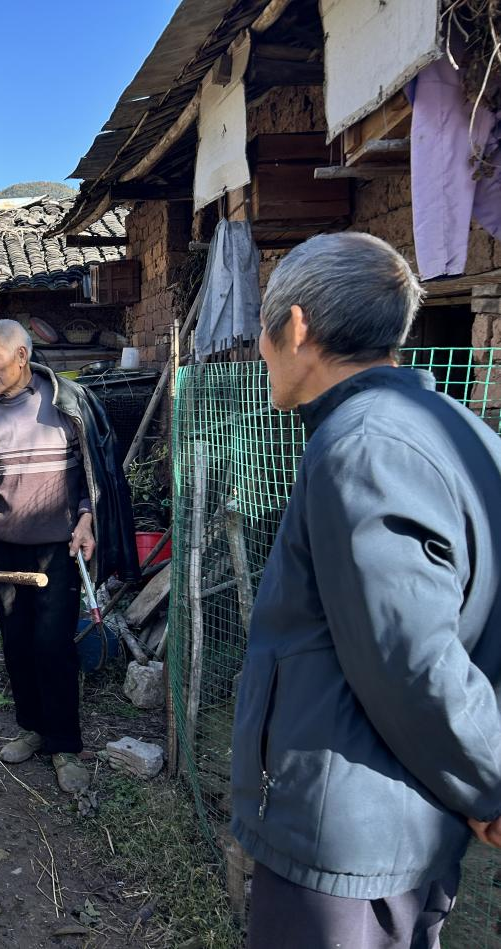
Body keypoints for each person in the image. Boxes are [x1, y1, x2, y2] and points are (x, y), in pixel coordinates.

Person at [230, 232, 501, 948]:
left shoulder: (360, 447)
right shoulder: (460, 432)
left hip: (348, 839)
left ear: (296, 328)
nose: (260, 350)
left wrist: (490, 781)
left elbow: (411, 657)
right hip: (402, 818)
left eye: (263, 329)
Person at [0, 319, 137, 794]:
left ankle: (64, 744)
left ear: (21, 356)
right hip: (1, 548)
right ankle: (32, 728)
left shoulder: (65, 404)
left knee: (53, 644)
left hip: (56, 549)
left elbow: (91, 475)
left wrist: (86, 519)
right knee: (16, 642)